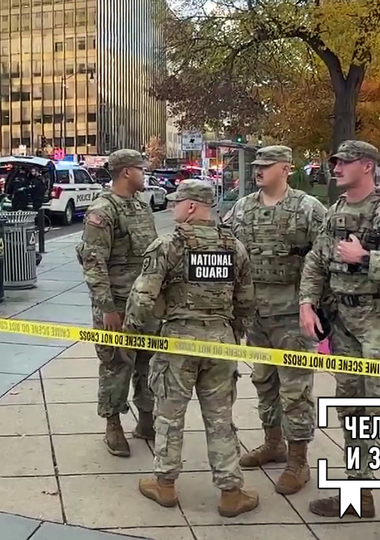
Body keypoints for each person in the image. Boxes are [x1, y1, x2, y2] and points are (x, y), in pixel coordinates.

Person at [299, 140, 380, 540]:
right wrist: (307, 301)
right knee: (351, 411)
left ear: (368, 166)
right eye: (334, 161)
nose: (335, 167)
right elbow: (316, 260)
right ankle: (358, 495)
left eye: (344, 162)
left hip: (379, 327)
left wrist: (366, 259)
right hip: (343, 327)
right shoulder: (336, 212)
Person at [125, 180, 258, 517]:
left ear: (193, 206)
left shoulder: (168, 244)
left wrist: (132, 331)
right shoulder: (234, 247)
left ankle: (165, 485)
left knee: (170, 415)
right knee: (220, 418)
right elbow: (246, 300)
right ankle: (231, 492)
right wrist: (234, 334)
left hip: (178, 343)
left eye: (178, 202)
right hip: (221, 342)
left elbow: (143, 296)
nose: (173, 207)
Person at [222, 145, 327, 495]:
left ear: (286, 168)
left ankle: (298, 459)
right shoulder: (242, 207)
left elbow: (324, 257)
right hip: (257, 312)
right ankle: (273, 442)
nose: (259, 171)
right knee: (264, 381)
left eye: (267, 166)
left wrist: (315, 304)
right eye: (257, 166)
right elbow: (225, 247)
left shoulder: (308, 208)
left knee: (295, 388)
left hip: (292, 312)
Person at [76, 148, 159, 457]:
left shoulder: (141, 206)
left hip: (144, 304)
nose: (145, 172)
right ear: (127, 172)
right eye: (142, 168)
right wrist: (107, 309)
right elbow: (93, 263)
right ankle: (113, 425)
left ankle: (147, 419)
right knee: (115, 364)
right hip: (117, 304)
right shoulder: (103, 210)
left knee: (147, 363)